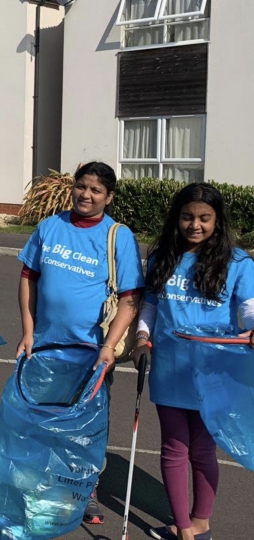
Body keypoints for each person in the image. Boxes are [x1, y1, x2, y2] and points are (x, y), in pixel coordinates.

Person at [16, 161, 144, 524]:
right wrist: (28, 330)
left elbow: (131, 298)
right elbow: (29, 278)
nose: (86, 195)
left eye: (96, 190)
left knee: (86, 427)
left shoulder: (118, 236)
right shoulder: (49, 226)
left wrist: (109, 346)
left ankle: (84, 490)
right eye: (81, 187)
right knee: (43, 420)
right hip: (45, 347)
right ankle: (42, 484)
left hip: (92, 352)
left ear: (109, 196)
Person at [132, 183, 254, 540]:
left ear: (218, 220)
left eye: (204, 218)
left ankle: (202, 522)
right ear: (177, 217)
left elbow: (248, 308)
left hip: (214, 371)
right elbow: (151, 305)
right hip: (170, 368)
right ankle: (184, 528)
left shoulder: (238, 262)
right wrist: (142, 337)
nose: (195, 225)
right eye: (187, 216)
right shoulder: (162, 257)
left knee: (202, 449)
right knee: (173, 447)